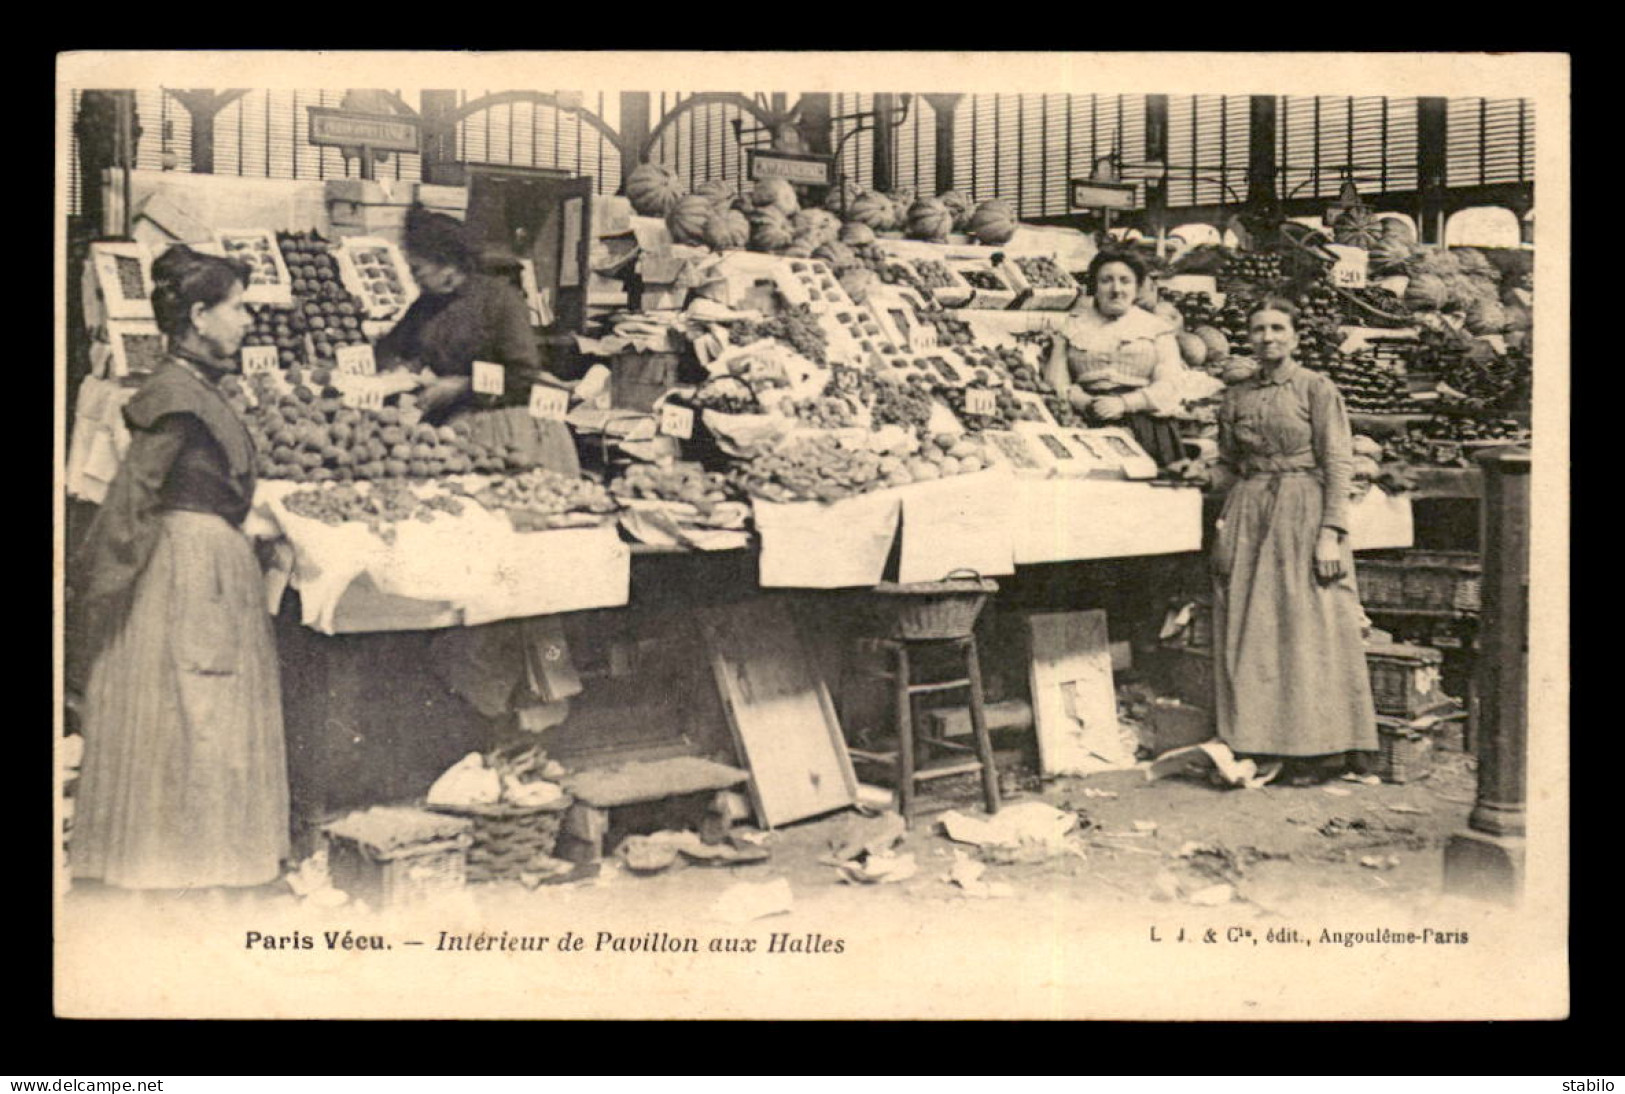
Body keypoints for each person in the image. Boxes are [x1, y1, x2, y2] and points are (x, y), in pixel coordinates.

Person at [72, 245, 289, 893]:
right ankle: (183, 862)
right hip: (186, 570)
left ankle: (204, 857)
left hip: (209, 560)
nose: (248, 319)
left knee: (203, 708)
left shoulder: (194, 387)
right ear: (199, 315)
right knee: (194, 708)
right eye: (237, 307)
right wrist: (98, 590)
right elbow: (133, 495)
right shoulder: (174, 397)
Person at [1209, 298, 1378, 784]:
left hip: (1304, 510)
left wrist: (1331, 533)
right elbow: (1228, 462)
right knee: (1253, 628)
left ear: (1296, 336)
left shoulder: (1316, 389)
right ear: (1249, 337)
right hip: (1249, 509)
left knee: (1309, 629)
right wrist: (1204, 473)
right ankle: (1259, 742)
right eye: (1258, 328)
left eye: (1278, 328)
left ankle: (1320, 751)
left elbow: (1339, 464)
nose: (1268, 337)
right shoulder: (1236, 396)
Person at [1045, 249, 1189, 466]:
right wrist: (1080, 400)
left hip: (1146, 427)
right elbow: (1055, 380)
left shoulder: (1157, 329)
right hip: (1085, 422)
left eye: (1125, 281)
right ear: (1094, 286)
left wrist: (1125, 403)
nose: (1116, 290)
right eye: (1106, 281)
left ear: (1137, 287)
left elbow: (1170, 385)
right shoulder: (1073, 326)